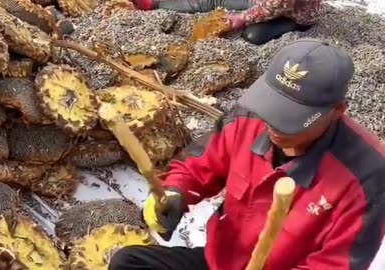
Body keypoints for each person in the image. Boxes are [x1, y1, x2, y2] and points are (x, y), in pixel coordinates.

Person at [108, 38, 385, 270]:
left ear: (337, 110)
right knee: (129, 264)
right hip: (223, 261)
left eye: (290, 117)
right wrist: (175, 193)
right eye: (272, 107)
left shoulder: (369, 176)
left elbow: (335, 265)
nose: (273, 125)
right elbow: (194, 166)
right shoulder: (248, 118)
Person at [131, 0, 322, 45]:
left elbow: (274, 6)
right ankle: (153, 3)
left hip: (293, 16)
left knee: (251, 36)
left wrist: (242, 18)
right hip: (262, 2)